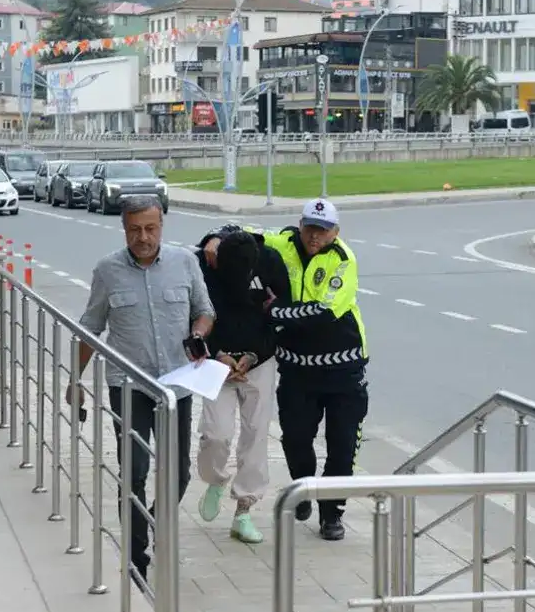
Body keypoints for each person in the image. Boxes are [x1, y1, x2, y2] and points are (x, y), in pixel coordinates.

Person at [202, 198, 368, 541]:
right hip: (296, 368)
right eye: (310, 227)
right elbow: (242, 233)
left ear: (335, 232)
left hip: (343, 366)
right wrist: (214, 238)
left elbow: (323, 312)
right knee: (295, 441)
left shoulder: (343, 260)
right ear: (300, 224)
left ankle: (332, 514)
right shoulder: (283, 242)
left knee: (342, 444)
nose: (314, 236)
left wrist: (274, 313)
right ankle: (304, 489)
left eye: (323, 230)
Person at [70, 194, 215, 585]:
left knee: (179, 474)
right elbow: (90, 327)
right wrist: (74, 380)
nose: (143, 237)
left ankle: (155, 520)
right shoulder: (107, 271)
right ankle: (136, 559)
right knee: (133, 471)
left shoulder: (185, 263)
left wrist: (199, 333)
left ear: (161, 227)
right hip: (128, 385)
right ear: (124, 229)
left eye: (150, 228)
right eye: (135, 230)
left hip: (176, 387)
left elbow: (205, 310)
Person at [193, 230, 291, 543]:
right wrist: (218, 353)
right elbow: (192, 315)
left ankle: (244, 509)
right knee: (215, 434)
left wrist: (254, 355)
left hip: (258, 362)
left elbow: (282, 314)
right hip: (215, 361)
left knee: (255, 436)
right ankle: (216, 479)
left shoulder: (270, 262)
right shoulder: (203, 263)